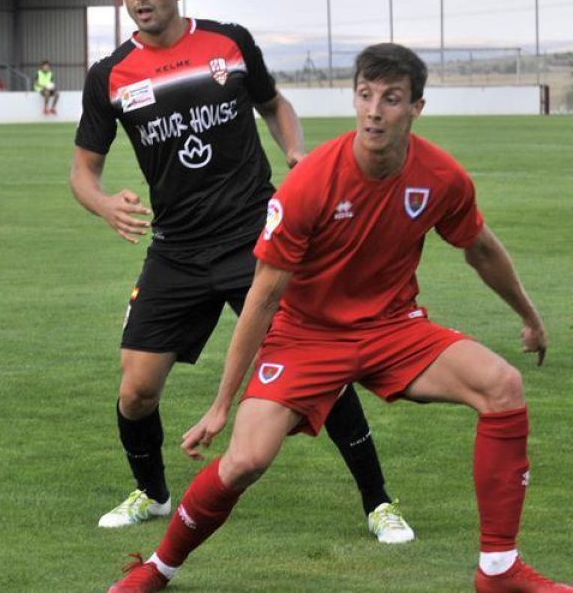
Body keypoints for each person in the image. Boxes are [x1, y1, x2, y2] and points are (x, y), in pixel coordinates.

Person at [108, 43, 565, 592]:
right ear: (354, 99)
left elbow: (482, 249)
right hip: (306, 336)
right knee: (245, 461)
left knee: (503, 386)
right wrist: (221, 405)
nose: (375, 110)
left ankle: (499, 570)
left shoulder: (441, 177)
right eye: (366, 95)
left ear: (415, 109)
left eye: (391, 99)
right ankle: (157, 569)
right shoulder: (311, 182)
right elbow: (262, 297)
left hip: (394, 329)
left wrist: (530, 317)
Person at [71, 0, 412, 543]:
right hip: (175, 249)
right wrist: (102, 204)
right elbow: (82, 170)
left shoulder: (229, 43)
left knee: (320, 374)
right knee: (137, 391)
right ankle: (151, 494)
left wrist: (297, 154)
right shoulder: (110, 76)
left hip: (257, 240)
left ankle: (379, 503)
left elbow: (275, 105)